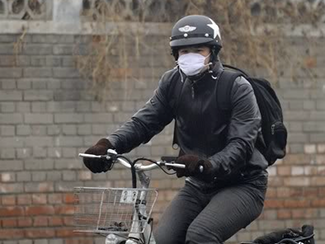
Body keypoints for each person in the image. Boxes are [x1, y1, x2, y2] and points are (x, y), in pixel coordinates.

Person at [83, 15, 268, 244]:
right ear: (175, 55)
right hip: (198, 185)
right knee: (164, 240)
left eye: (198, 49)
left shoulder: (237, 87)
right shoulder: (172, 83)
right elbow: (144, 122)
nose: (189, 56)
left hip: (243, 185)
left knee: (200, 235)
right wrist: (108, 144)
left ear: (213, 51)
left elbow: (241, 145)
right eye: (183, 51)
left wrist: (206, 164)